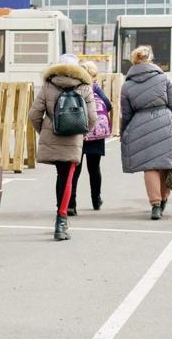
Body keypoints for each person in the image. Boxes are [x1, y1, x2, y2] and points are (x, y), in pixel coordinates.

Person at [28, 54, 97, 241]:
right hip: (73, 137)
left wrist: (44, 131)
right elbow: (92, 118)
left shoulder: (48, 85)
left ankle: (61, 212)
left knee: (61, 176)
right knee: (67, 178)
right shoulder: (85, 87)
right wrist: (82, 133)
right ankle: (61, 221)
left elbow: (34, 114)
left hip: (52, 133)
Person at [120, 46, 172, 220]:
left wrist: (123, 134)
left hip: (140, 126)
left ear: (134, 60)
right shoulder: (163, 78)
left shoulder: (127, 85)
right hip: (165, 122)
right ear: (150, 59)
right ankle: (164, 199)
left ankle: (155, 205)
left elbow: (126, 114)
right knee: (165, 164)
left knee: (149, 167)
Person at [68, 60, 113, 215]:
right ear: (94, 75)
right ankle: (96, 199)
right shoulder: (96, 89)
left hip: (77, 131)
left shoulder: (74, 88)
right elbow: (108, 105)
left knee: (74, 170)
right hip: (96, 133)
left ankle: (71, 204)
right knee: (94, 169)